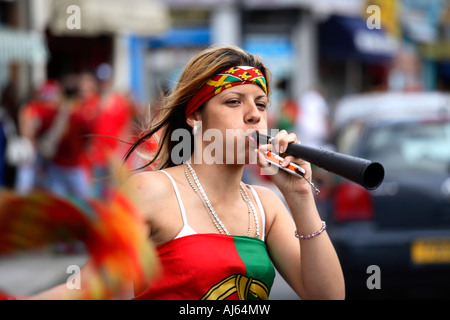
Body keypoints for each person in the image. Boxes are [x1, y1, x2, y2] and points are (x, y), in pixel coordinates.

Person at [33, 46, 344, 300]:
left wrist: (301, 197)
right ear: (195, 114)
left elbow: (328, 297)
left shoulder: (267, 206)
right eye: (234, 102)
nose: (254, 116)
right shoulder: (149, 191)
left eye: (261, 105)